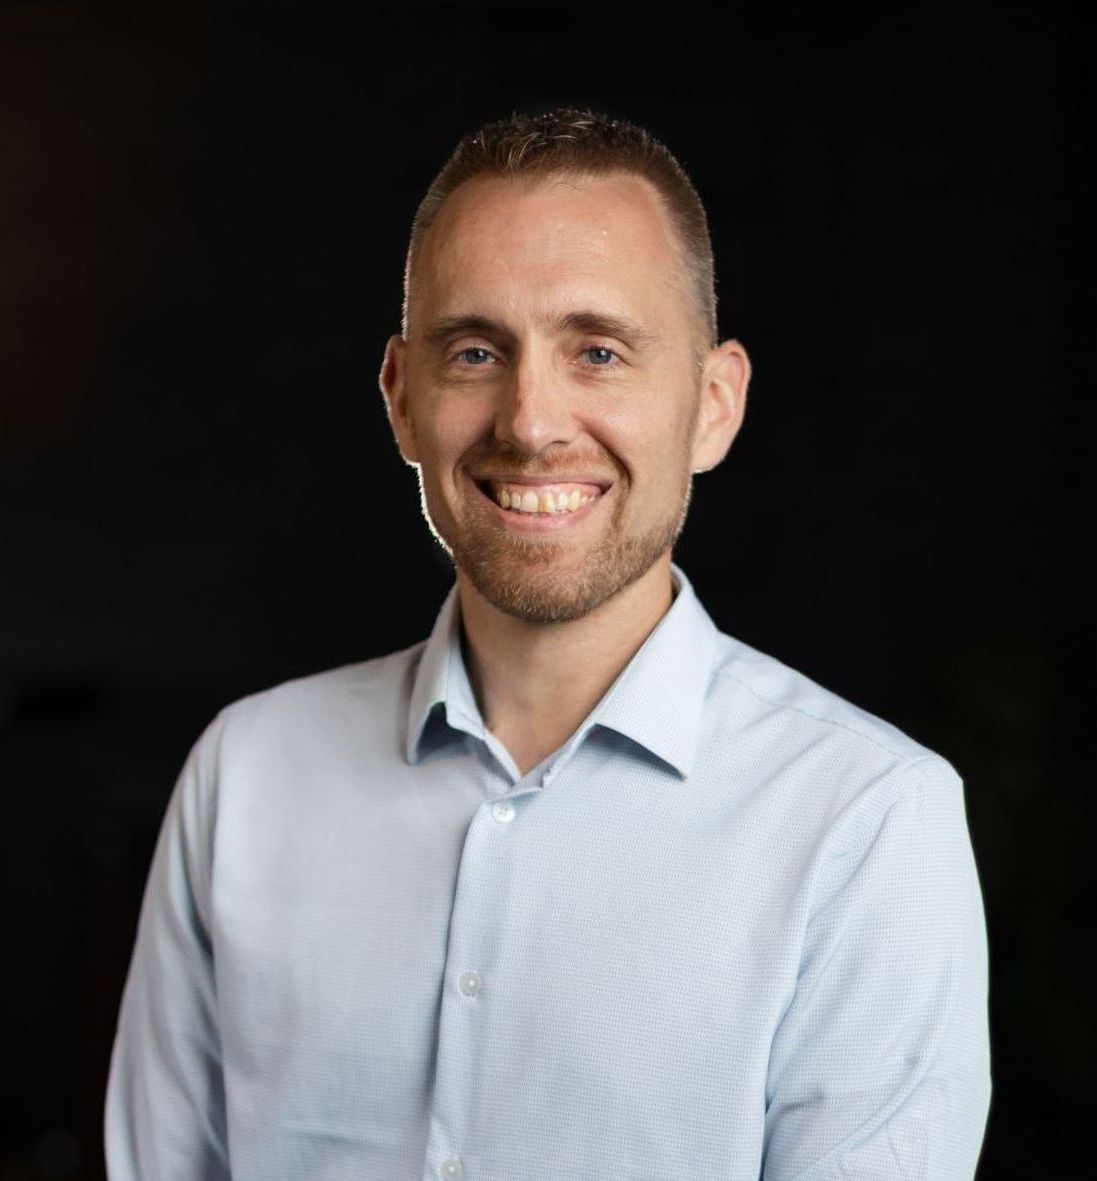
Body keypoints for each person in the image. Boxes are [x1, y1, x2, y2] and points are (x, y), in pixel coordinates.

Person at [105, 108, 991, 1180]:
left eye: (598, 352)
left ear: (712, 406)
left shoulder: (865, 821)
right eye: (475, 350)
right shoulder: (244, 775)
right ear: (399, 396)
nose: (529, 421)